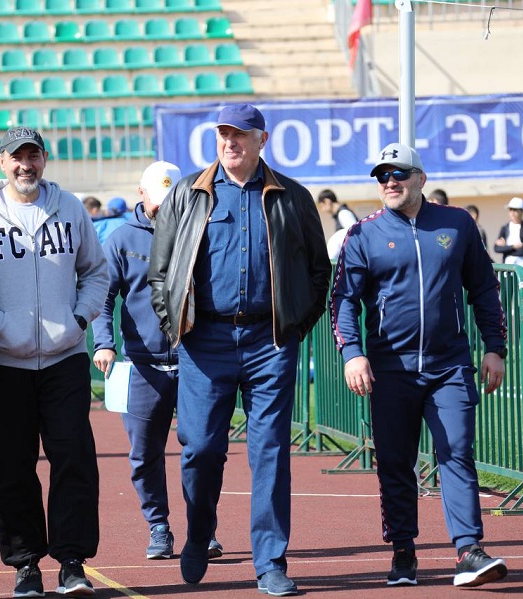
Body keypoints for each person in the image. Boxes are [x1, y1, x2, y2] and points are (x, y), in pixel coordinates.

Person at [148, 104, 331, 596]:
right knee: (200, 449)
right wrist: (176, 325)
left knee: (270, 451)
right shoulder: (188, 192)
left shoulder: (292, 196)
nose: (230, 142)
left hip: (270, 343)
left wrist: (293, 327)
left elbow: (319, 272)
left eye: (240, 134)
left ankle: (270, 562)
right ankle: (199, 533)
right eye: (223, 134)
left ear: (261, 140)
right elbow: (160, 272)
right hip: (204, 342)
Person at [330, 142, 509, 588]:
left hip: (450, 366)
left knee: (457, 452)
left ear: (421, 178)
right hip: (391, 369)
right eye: (382, 175)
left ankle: (468, 550)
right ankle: (403, 552)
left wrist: (495, 347)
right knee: (395, 462)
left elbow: (483, 288)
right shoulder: (363, 234)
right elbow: (344, 301)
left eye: (399, 173)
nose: (390, 182)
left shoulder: (457, 224)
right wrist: (352, 353)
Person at [0, 127, 108, 598]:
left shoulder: (70, 208)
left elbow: (95, 272)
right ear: (1, 161)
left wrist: (79, 318)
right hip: (4, 362)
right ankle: (25, 565)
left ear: (44, 159)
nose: (26, 165)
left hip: (65, 357)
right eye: (17, 157)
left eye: (34, 155)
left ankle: (72, 562)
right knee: (12, 466)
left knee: (74, 459)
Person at [91, 161, 223, 562]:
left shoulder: (199, 229)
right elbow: (103, 296)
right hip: (142, 365)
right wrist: (104, 344)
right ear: (141, 193)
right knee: (145, 453)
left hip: (195, 361)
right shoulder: (121, 239)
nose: (164, 209)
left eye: (172, 201)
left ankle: (202, 529)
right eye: (157, 201)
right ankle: (158, 526)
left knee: (202, 449)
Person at [493, 197, 523, 270]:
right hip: (507, 264)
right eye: (510, 209)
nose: (512, 212)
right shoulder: (504, 228)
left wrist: (506, 248)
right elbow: (497, 248)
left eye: (515, 210)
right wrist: (513, 247)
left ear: (522, 212)